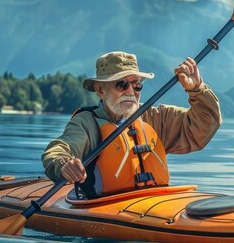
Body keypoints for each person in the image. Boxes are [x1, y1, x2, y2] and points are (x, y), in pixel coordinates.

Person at [42, 51, 221, 198]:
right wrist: (64, 164)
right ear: (100, 89)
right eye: (121, 84)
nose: (130, 91)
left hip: (156, 204)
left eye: (136, 85)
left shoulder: (155, 117)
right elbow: (58, 150)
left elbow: (205, 125)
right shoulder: (86, 123)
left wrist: (197, 89)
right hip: (106, 210)